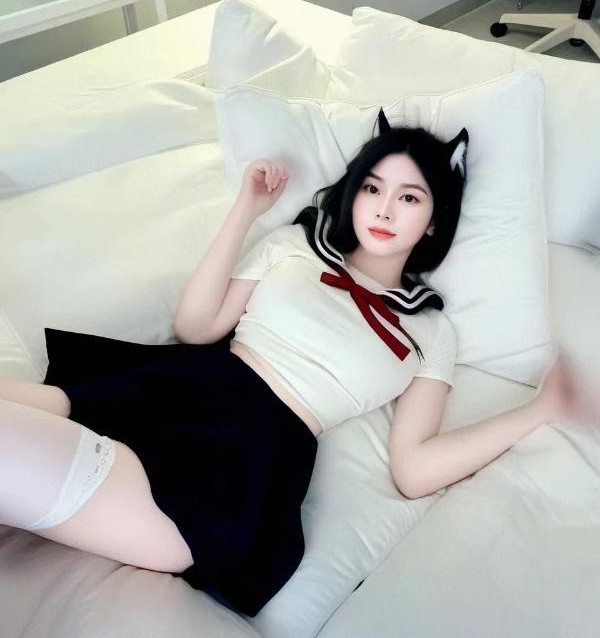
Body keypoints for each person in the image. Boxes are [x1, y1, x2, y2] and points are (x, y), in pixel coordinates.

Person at [0, 112, 587, 616]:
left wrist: (541, 409)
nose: (384, 209)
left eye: (409, 197)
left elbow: (413, 469)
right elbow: (197, 327)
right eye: (372, 188)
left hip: (250, 452)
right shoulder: (294, 246)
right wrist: (247, 209)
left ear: (434, 219)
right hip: (179, 387)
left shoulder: (431, 332)